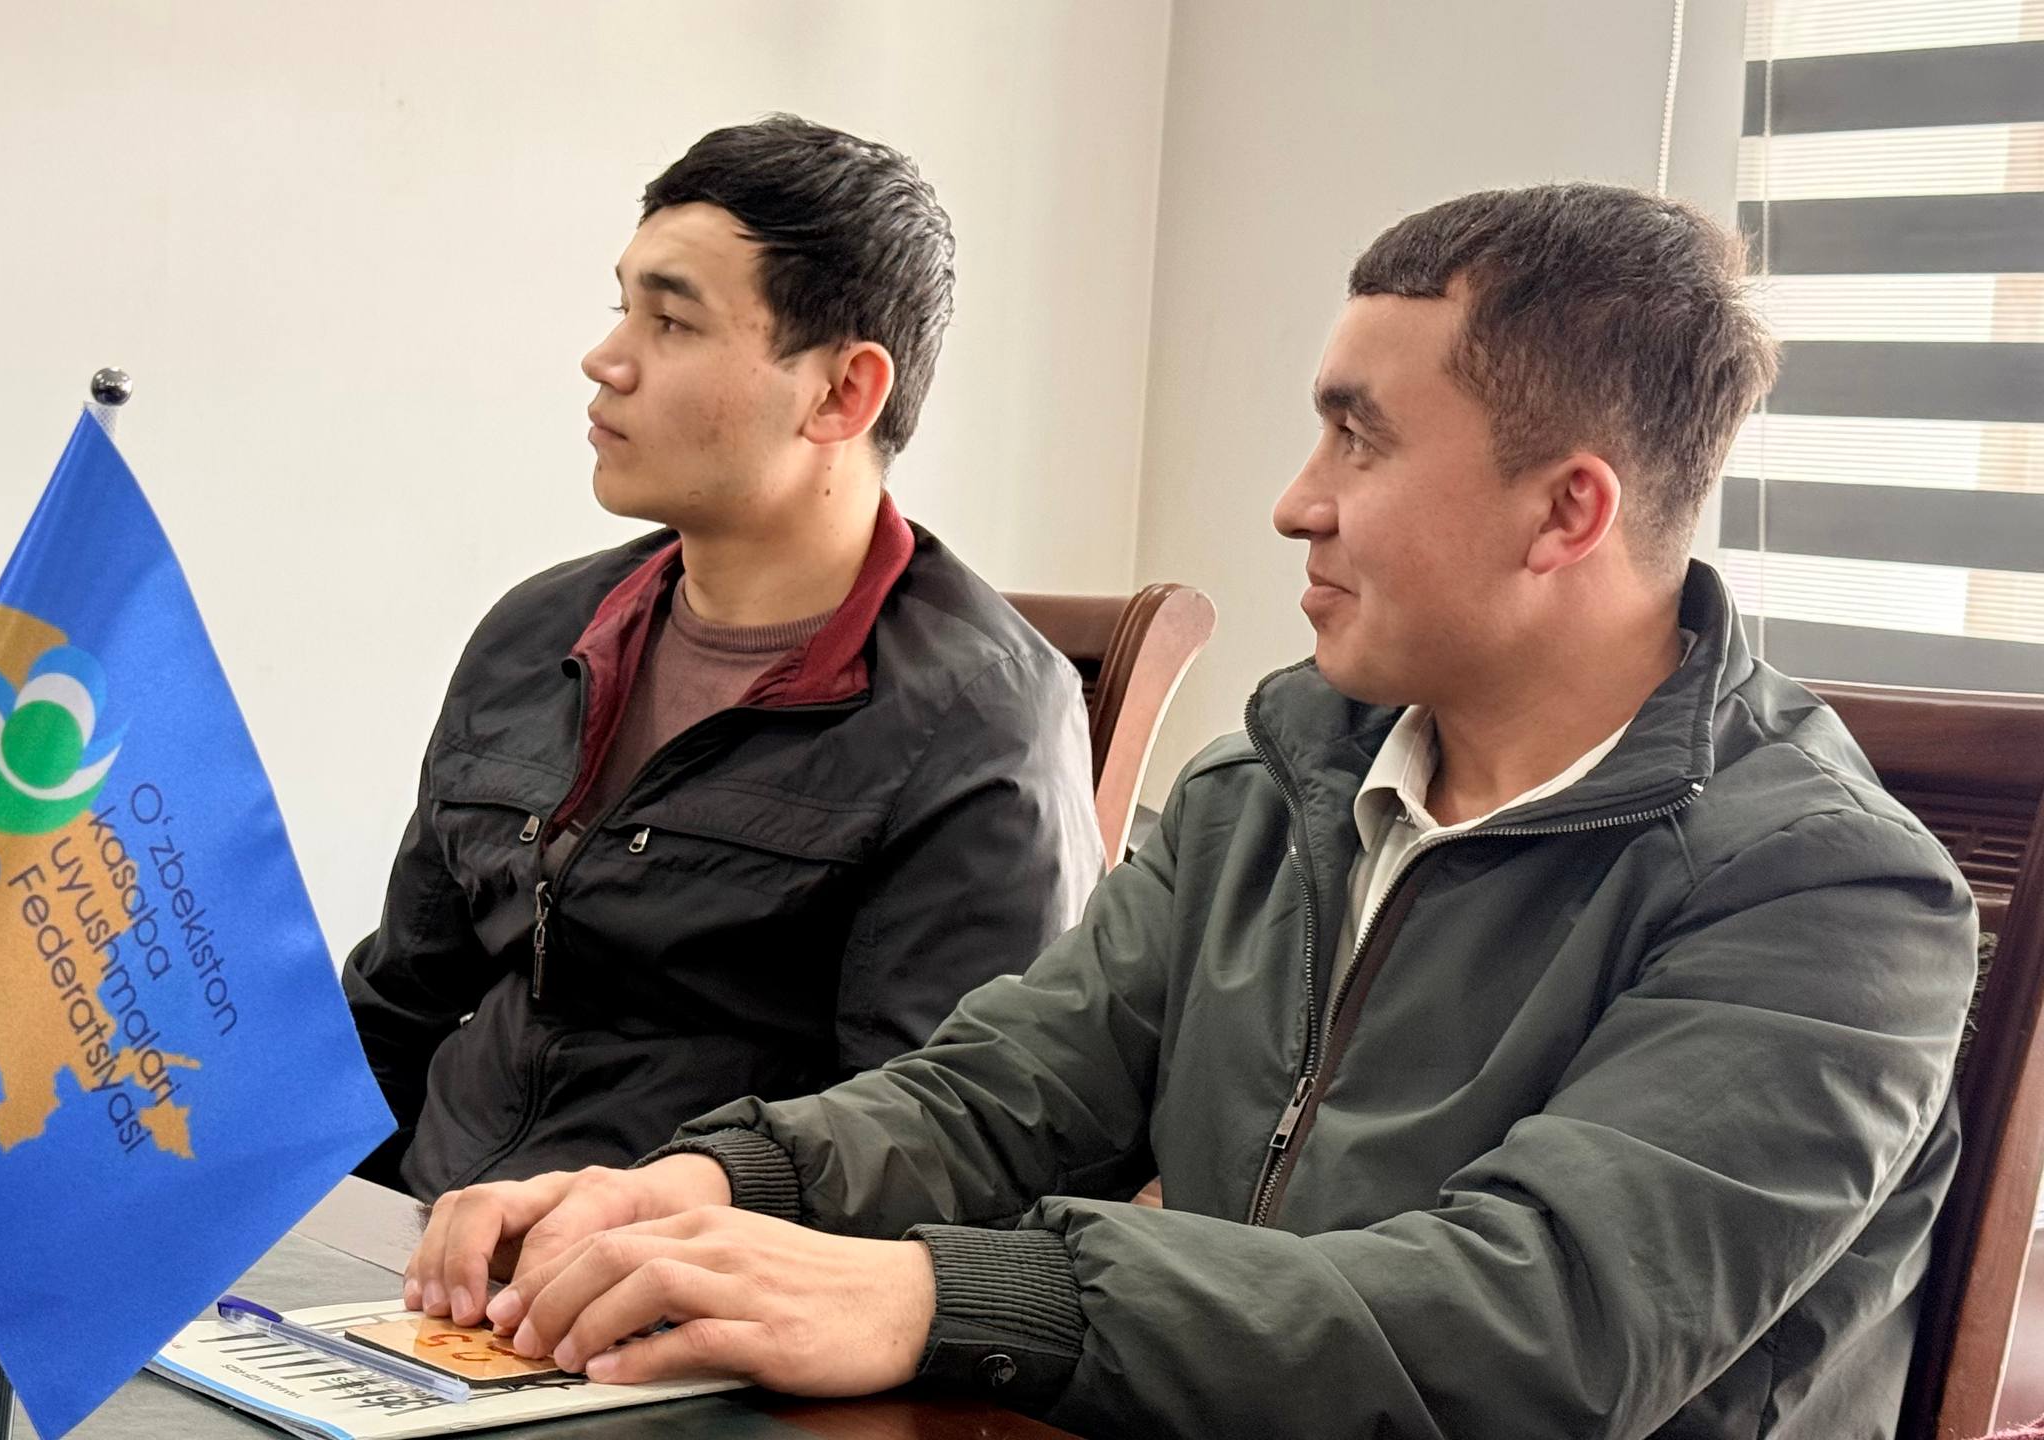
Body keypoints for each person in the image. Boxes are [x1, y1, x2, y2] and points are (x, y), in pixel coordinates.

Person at [399, 183, 1982, 1438]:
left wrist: (937, 1298)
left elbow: (1535, 1330)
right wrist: (709, 1186)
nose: (1296, 499)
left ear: (1567, 511)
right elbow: (1001, 1092)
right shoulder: (1272, 784)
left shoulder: (1838, 901)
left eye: (1358, 437)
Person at [343, 115, 1103, 1206]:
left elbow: (932, 1156)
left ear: (842, 393)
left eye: (671, 321)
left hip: (671, 1285)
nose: (606, 359)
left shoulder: (978, 722)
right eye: (621, 307)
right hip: (421, 1252)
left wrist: (616, 1242)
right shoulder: (535, 632)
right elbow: (394, 1014)